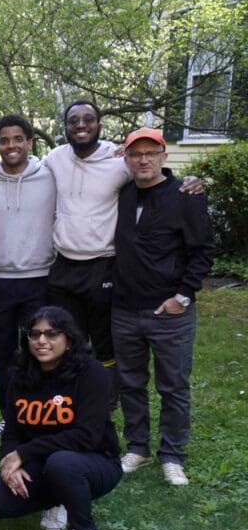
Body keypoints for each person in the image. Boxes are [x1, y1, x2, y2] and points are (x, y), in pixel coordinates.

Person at [43, 101, 201, 404]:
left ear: (99, 125)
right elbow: (25, 169)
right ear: (65, 127)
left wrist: (191, 182)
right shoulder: (54, 158)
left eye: (88, 119)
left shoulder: (119, 161)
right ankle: (69, 398)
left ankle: (104, 400)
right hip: (63, 266)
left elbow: (155, 176)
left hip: (104, 266)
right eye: (73, 120)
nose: (81, 125)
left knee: (105, 344)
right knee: (65, 339)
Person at [112, 128, 214, 485]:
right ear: (126, 159)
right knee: (130, 383)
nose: (143, 160)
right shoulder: (122, 194)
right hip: (124, 309)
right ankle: (138, 448)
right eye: (135, 153)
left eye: (150, 153)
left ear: (163, 157)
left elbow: (203, 252)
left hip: (169, 312)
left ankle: (172, 455)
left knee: (173, 386)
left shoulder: (186, 195)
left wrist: (181, 297)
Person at [0, 306, 122, 530]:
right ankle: (58, 500)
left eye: (51, 334)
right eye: (34, 335)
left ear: (68, 340)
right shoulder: (21, 375)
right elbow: (12, 430)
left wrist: (23, 453)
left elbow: (86, 436)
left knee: (62, 463)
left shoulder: (92, 374)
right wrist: (8, 464)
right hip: (43, 461)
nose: (41, 341)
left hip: (92, 460)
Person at [0, 115, 55, 419]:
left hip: (40, 278)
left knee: (41, 350)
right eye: (4, 140)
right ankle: (12, 417)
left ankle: (42, 413)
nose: (11, 145)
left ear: (29, 142)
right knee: (1, 354)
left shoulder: (49, 176)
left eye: (18, 139)